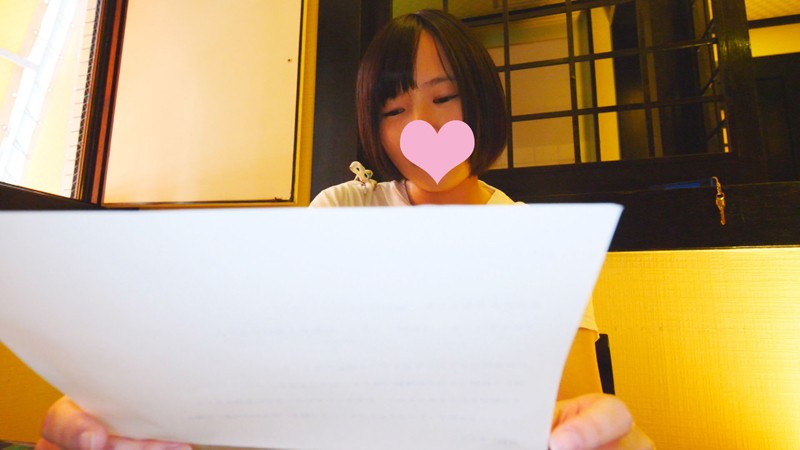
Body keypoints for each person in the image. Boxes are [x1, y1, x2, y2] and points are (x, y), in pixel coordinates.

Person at [37, 9, 653, 450]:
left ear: (482, 101)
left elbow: (564, 413)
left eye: (444, 98)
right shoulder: (344, 210)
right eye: (394, 109)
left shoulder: (535, 242)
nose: (421, 126)